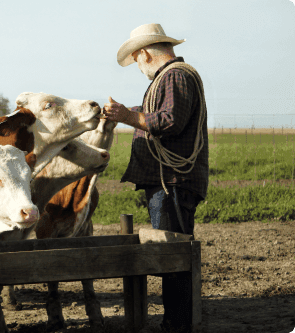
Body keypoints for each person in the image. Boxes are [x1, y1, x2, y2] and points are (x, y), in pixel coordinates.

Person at [103, 23, 208, 333]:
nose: (139, 67)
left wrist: (126, 116)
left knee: (172, 257)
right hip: (170, 182)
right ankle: (176, 322)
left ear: (145, 54)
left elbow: (170, 120)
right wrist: (124, 112)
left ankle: (176, 325)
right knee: (172, 256)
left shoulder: (175, 76)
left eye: (137, 61)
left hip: (173, 181)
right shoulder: (174, 76)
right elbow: (158, 112)